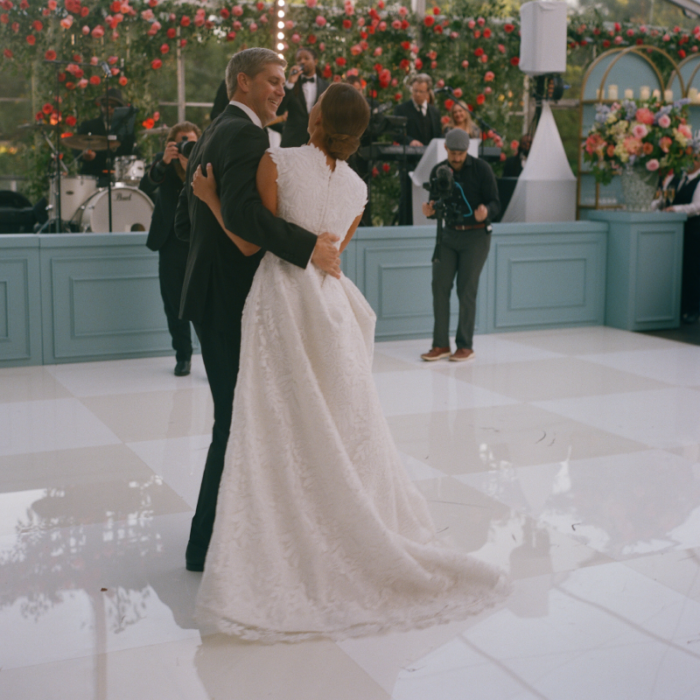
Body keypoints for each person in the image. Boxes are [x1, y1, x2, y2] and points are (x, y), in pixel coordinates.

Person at [190, 82, 508, 642]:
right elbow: (332, 254)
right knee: (332, 426)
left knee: (278, 425)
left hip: (282, 308)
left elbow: (247, 244)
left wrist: (211, 199)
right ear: (358, 134)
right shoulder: (359, 187)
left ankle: (284, 530)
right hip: (331, 309)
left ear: (315, 117)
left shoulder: (276, 162)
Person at [173, 48, 341, 573]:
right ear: (241, 82)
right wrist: (310, 244)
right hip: (227, 299)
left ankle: (226, 536)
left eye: (282, 82)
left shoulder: (212, 131)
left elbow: (184, 221)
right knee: (234, 420)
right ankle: (204, 545)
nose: (280, 90)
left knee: (238, 417)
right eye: (271, 81)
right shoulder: (245, 135)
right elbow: (245, 219)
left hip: (207, 294)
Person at [421, 129, 500, 362]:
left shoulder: (482, 169)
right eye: (453, 153)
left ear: (468, 150)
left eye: (461, 153)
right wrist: (429, 209)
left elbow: (496, 202)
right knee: (440, 285)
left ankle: (465, 345)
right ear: (445, 149)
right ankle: (441, 345)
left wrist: (486, 212)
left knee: (466, 289)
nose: (456, 158)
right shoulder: (439, 170)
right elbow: (434, 202)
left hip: (476, 237)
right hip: (448, 234)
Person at [140, 121, 201, 377]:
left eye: (192, 141)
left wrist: (192, 166)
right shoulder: (162, 163)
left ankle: (212, 356)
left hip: (199, 240)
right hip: (170, 241)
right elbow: (146, 187)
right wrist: (165, 161)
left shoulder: (205, 162)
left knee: (203, 303)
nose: (187, 145)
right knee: (173, 303)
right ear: (172, 145)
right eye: (182, 141)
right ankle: (183, 356)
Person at [655, 157, 700, 324]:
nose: (690, 162)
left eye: (695, 159)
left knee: (692, 269)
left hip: (693, 232)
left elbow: (697, 207)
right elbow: (663, 199)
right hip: (674, 232)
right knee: (677, 270)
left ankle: (694, 309)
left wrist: (676, 209)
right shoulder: (676, 179)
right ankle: (678, 308)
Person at [75, 88, 137, 186]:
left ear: (119, 108)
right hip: (93, 177)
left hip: (119, 178)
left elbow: (130, 151)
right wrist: (85, 155)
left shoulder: (125, 129)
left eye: (112, 106)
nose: (108, 108)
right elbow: (76, 147)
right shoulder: (89, 126)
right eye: (104, 105)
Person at [278, 47, 330, 148]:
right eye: (299, 59)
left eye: (306, 58)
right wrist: (290, 84)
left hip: (317, 142)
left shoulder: (325, 86)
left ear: (315, 61)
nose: (302, 61)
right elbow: (279, 110)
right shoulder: (290, 85)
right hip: (292, 141)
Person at [393, 74, 442, 147]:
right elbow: (396, 133)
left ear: (428, 92)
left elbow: (438, 135)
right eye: (415, 90)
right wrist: (410, 141)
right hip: (409, 155)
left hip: (430, 155)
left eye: (421, 91)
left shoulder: (435, 112)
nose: (417, 94)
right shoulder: (401, 109)